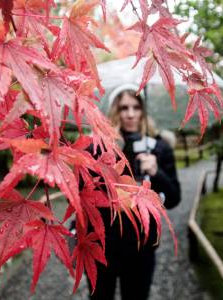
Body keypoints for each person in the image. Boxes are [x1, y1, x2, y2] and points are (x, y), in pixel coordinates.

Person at [89, 84, 181, 300]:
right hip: (102, 245)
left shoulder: (159, 148)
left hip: (142, 246)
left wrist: (157, 172)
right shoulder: (99, 148)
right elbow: (83, 196)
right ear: (115, 111)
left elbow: (174, 198)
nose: (130, 114)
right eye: (124, 108)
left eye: (136, 107)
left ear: (143, 110)